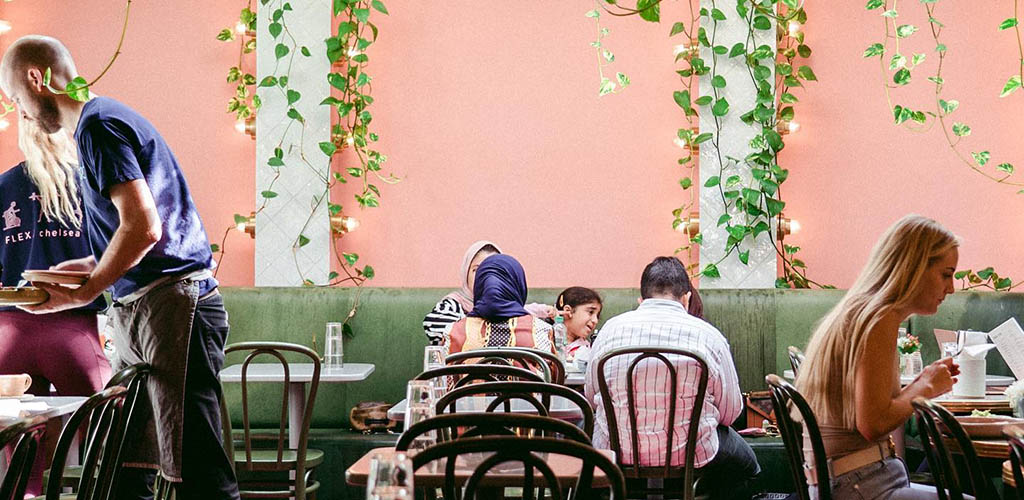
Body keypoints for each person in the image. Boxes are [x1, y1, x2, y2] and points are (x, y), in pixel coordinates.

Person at [1, 35, 240, 499]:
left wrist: (88, 289)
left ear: (36, 78)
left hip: (173, 308)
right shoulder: (98, 123)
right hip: (145, 311)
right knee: (129, 468)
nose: (21, 114)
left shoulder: (97, 126)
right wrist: (82, 269)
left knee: (199, 474)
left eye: (16, 100)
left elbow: (144, 228)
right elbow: (131, 236)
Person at [796, 215, 960, 500]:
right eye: (946, 274)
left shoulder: (862, 311)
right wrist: (927, 387)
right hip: (861, 485)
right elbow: (872, 424)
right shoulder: (878, 318)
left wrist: (923, 381)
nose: (952, 287)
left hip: (845, 481)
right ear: (914, 268)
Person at [0, 113, 112, 497]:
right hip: (72, 330)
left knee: (19, 432)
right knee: (110, 421)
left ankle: (29, 494)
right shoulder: (89, 181)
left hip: (9, 332)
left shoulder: (3, 185)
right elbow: (114, 250)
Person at [585, 256, 759, 499]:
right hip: (693, 455)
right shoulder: (709, 336)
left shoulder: (609, 332)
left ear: (642, 298)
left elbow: (591, 398)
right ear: (686, 298)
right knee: (747, 467)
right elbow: (731, 412)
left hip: (617, 452)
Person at [423, 240, 555, 345]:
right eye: (478, 271)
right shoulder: (451, 306)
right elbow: (439, 332)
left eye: (496, 271)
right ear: (465, 274)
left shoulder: (536, 327)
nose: (488, 278)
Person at [444, 254, 554, 356]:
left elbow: (442, 374)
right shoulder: (541, 331)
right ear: (518, 285)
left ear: (479, 286)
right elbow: (553, 374)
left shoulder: (453, 332)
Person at [553, 286, 602, 364]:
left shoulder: (587, 350)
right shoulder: (545, 341)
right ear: (568, 311)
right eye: (590, 312)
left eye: (597, 316)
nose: (595, 321)